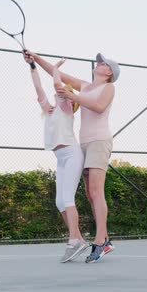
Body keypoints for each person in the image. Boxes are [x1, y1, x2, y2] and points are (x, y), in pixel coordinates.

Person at [26, 51, 120, 263]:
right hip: (84, 142)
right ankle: (103, 239)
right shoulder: (85, 85)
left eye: (104, 63)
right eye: (100, 62)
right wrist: (35, 59)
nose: (99, 64)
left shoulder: (108, 87)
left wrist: (73, 97)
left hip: (99, 140)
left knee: (96, 191)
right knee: (89, 193)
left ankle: (100, 243)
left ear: (109, 73)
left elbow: (99, 107)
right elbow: (55, 73)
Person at [25, 54, 88, 263]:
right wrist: (33, 66)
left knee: (67, 199)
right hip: (61, 158)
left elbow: (56, 83)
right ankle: (78, 239)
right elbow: (38, 89)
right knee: (60, 202)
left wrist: (56, 69)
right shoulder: (50, 110)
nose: (60, 92)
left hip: (72, 154)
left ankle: (73, 241)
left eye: (65, 91)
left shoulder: (66, 108)